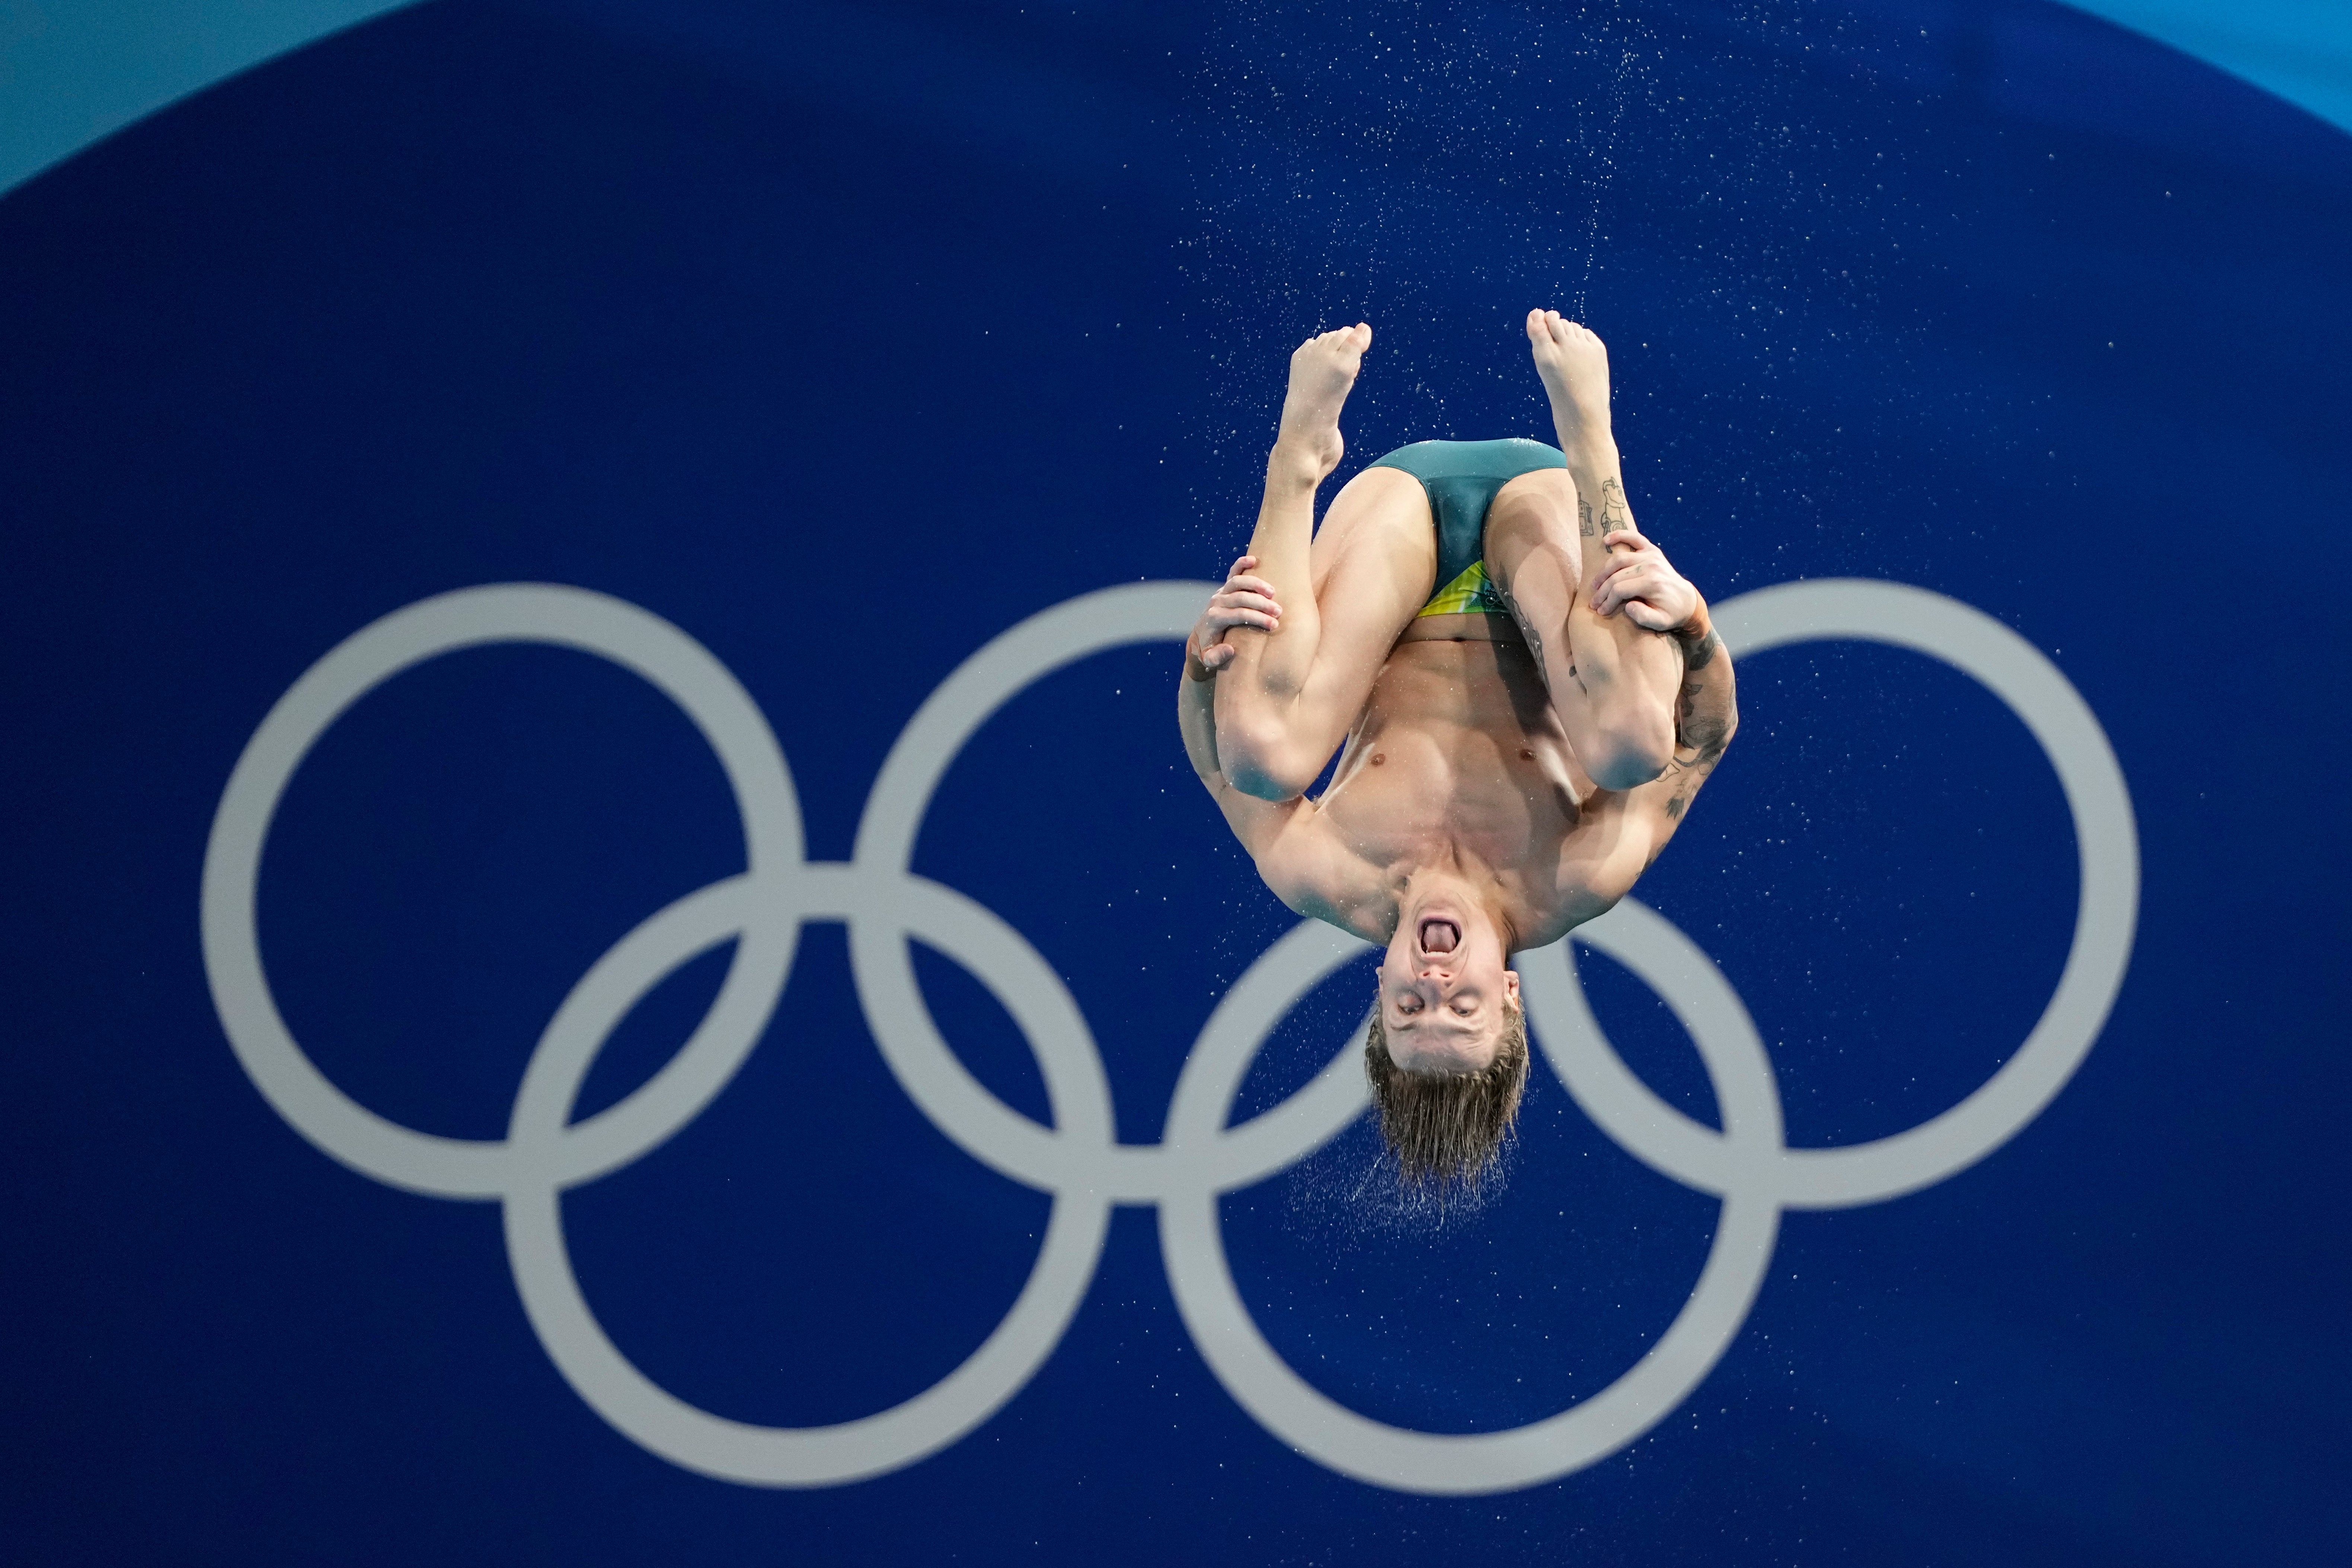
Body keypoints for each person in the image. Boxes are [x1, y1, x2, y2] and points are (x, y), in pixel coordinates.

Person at [1176, 311, 1738, 1192]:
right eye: (1462, 1004)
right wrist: (1693, 620)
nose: (1435, 980)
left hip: (1393, 534)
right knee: (1634, 743)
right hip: (1545, 526)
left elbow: (1215, 766)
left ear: (1380, 991)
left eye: (1409, 1005)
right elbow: (1701, 745)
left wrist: (1202, 661)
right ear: (1509, 997)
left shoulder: (1321, 874)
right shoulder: (1576, 877)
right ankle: (1596, 442)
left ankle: (1295, 464)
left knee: (1257, 751)